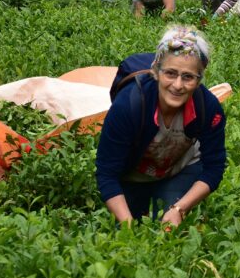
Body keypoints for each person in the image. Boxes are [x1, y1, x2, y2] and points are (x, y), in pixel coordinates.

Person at [95, 26, 227, 225]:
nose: (177, 85)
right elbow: (106, 173)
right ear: (156, 71)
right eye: (170, 73)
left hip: (180, 169)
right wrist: (127, 228)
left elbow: (214, 166)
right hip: (132, 175)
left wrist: (179, 209)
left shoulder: (208, 108)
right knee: (127, 229)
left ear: (199, 79)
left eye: (188, 77)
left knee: (167, 228)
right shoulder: (129, 105)